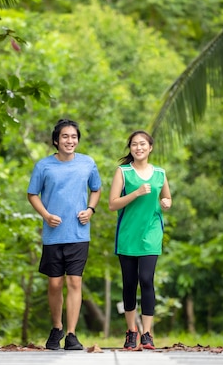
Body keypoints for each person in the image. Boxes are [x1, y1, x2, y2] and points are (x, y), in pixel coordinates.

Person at [27, 119, 102, 350]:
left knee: (74, 281)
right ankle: (57, 327)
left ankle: (71, 334)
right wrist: (46, 215)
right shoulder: (43, 166)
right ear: (56, 141)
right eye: (65, 137)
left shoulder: (88, 163)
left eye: (74, 137)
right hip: (54, 233)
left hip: (79, 233)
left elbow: (96, 189)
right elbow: (32, 194)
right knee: (55, 284)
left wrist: (90, 210)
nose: (70, 141)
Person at [108, 130, 172, 350]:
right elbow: (112, 204)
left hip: (151, 233)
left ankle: (147, 333)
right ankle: (131, 331)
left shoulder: (160, 173)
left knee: (146, 279)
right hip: (127, 234)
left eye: (143, 144)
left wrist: (166, 203)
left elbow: (166, 196)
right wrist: (135, 193)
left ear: (150, 147)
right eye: (134, 145)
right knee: (129, 283)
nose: (138, 148)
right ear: (130, 148)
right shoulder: (123, 172)